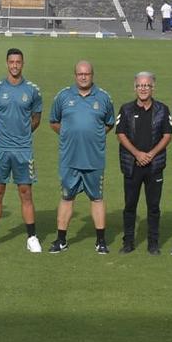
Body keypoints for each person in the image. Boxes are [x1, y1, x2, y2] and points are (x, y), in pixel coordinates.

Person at [0, 47, 44, 252]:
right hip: (0, 149)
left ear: (22, 63)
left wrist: (23, 134)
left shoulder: (32, 90)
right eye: (11, 62)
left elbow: (37, 118)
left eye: (18, 62)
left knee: (25, 193)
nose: (15, 65)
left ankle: (32, 238)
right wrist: (0, 134)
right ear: (7, 63)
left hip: (23, 149)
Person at [49, 60, 115, 253]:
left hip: (94, 159)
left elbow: (109, 123)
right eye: (80, 74)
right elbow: (54, 121)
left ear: (92, 75)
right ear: (75, 75)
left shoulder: (103, 98)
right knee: (67, 198)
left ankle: (101, 241)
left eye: (87, 74)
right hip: (70, 159)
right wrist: (69, 134)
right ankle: (61, 240)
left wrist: (95, 135)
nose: (83, 77)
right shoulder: (63, 96)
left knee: (97, 198)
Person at [116, 71, 171, 256]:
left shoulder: (162, 110)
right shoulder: (125, 109)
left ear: (153, 87)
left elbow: (167, 135)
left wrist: (151, 154)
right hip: (132, 165)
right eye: (140, 85)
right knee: (130, 205)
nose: (143, 89)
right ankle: (128, 242)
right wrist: (137, 154)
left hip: (154, 166)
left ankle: (153, 243)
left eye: (147, 85)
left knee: (153, 207)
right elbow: (120, 134)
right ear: (135, 87)